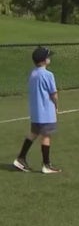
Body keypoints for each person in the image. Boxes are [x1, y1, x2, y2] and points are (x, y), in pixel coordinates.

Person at [13, 46, 62, 174]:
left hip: (36, 112)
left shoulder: (33, 73)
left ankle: (20, 158)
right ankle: (46, 165)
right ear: (43, 60)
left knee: (33, 133)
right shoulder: (48, 75)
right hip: (46, 112)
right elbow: (54, 94)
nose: (49, 58)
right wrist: (56, 105)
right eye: (48, 56)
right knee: (46, 136)